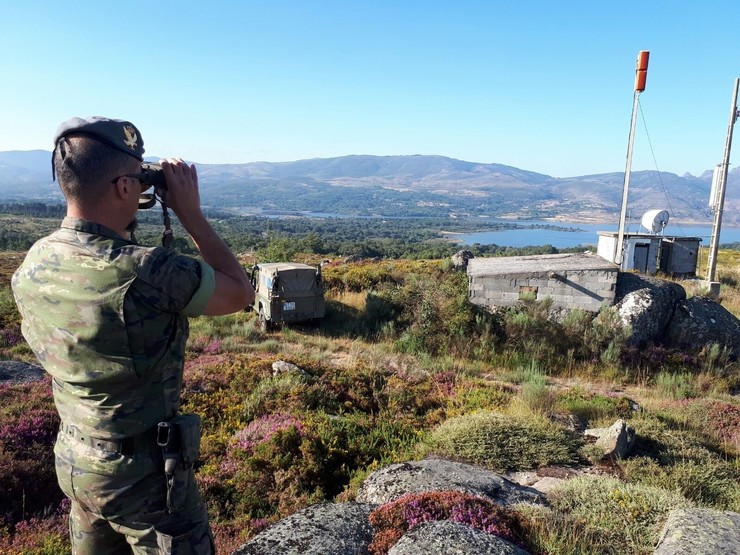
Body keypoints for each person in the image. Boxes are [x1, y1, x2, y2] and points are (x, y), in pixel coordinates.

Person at [12, 116, 254, 554]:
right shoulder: (147, 271)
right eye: (139, 181)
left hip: (76, 463)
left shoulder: (35, 261)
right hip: (145, 480)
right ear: (125, 187)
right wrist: (190, 213)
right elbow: (239, 292)